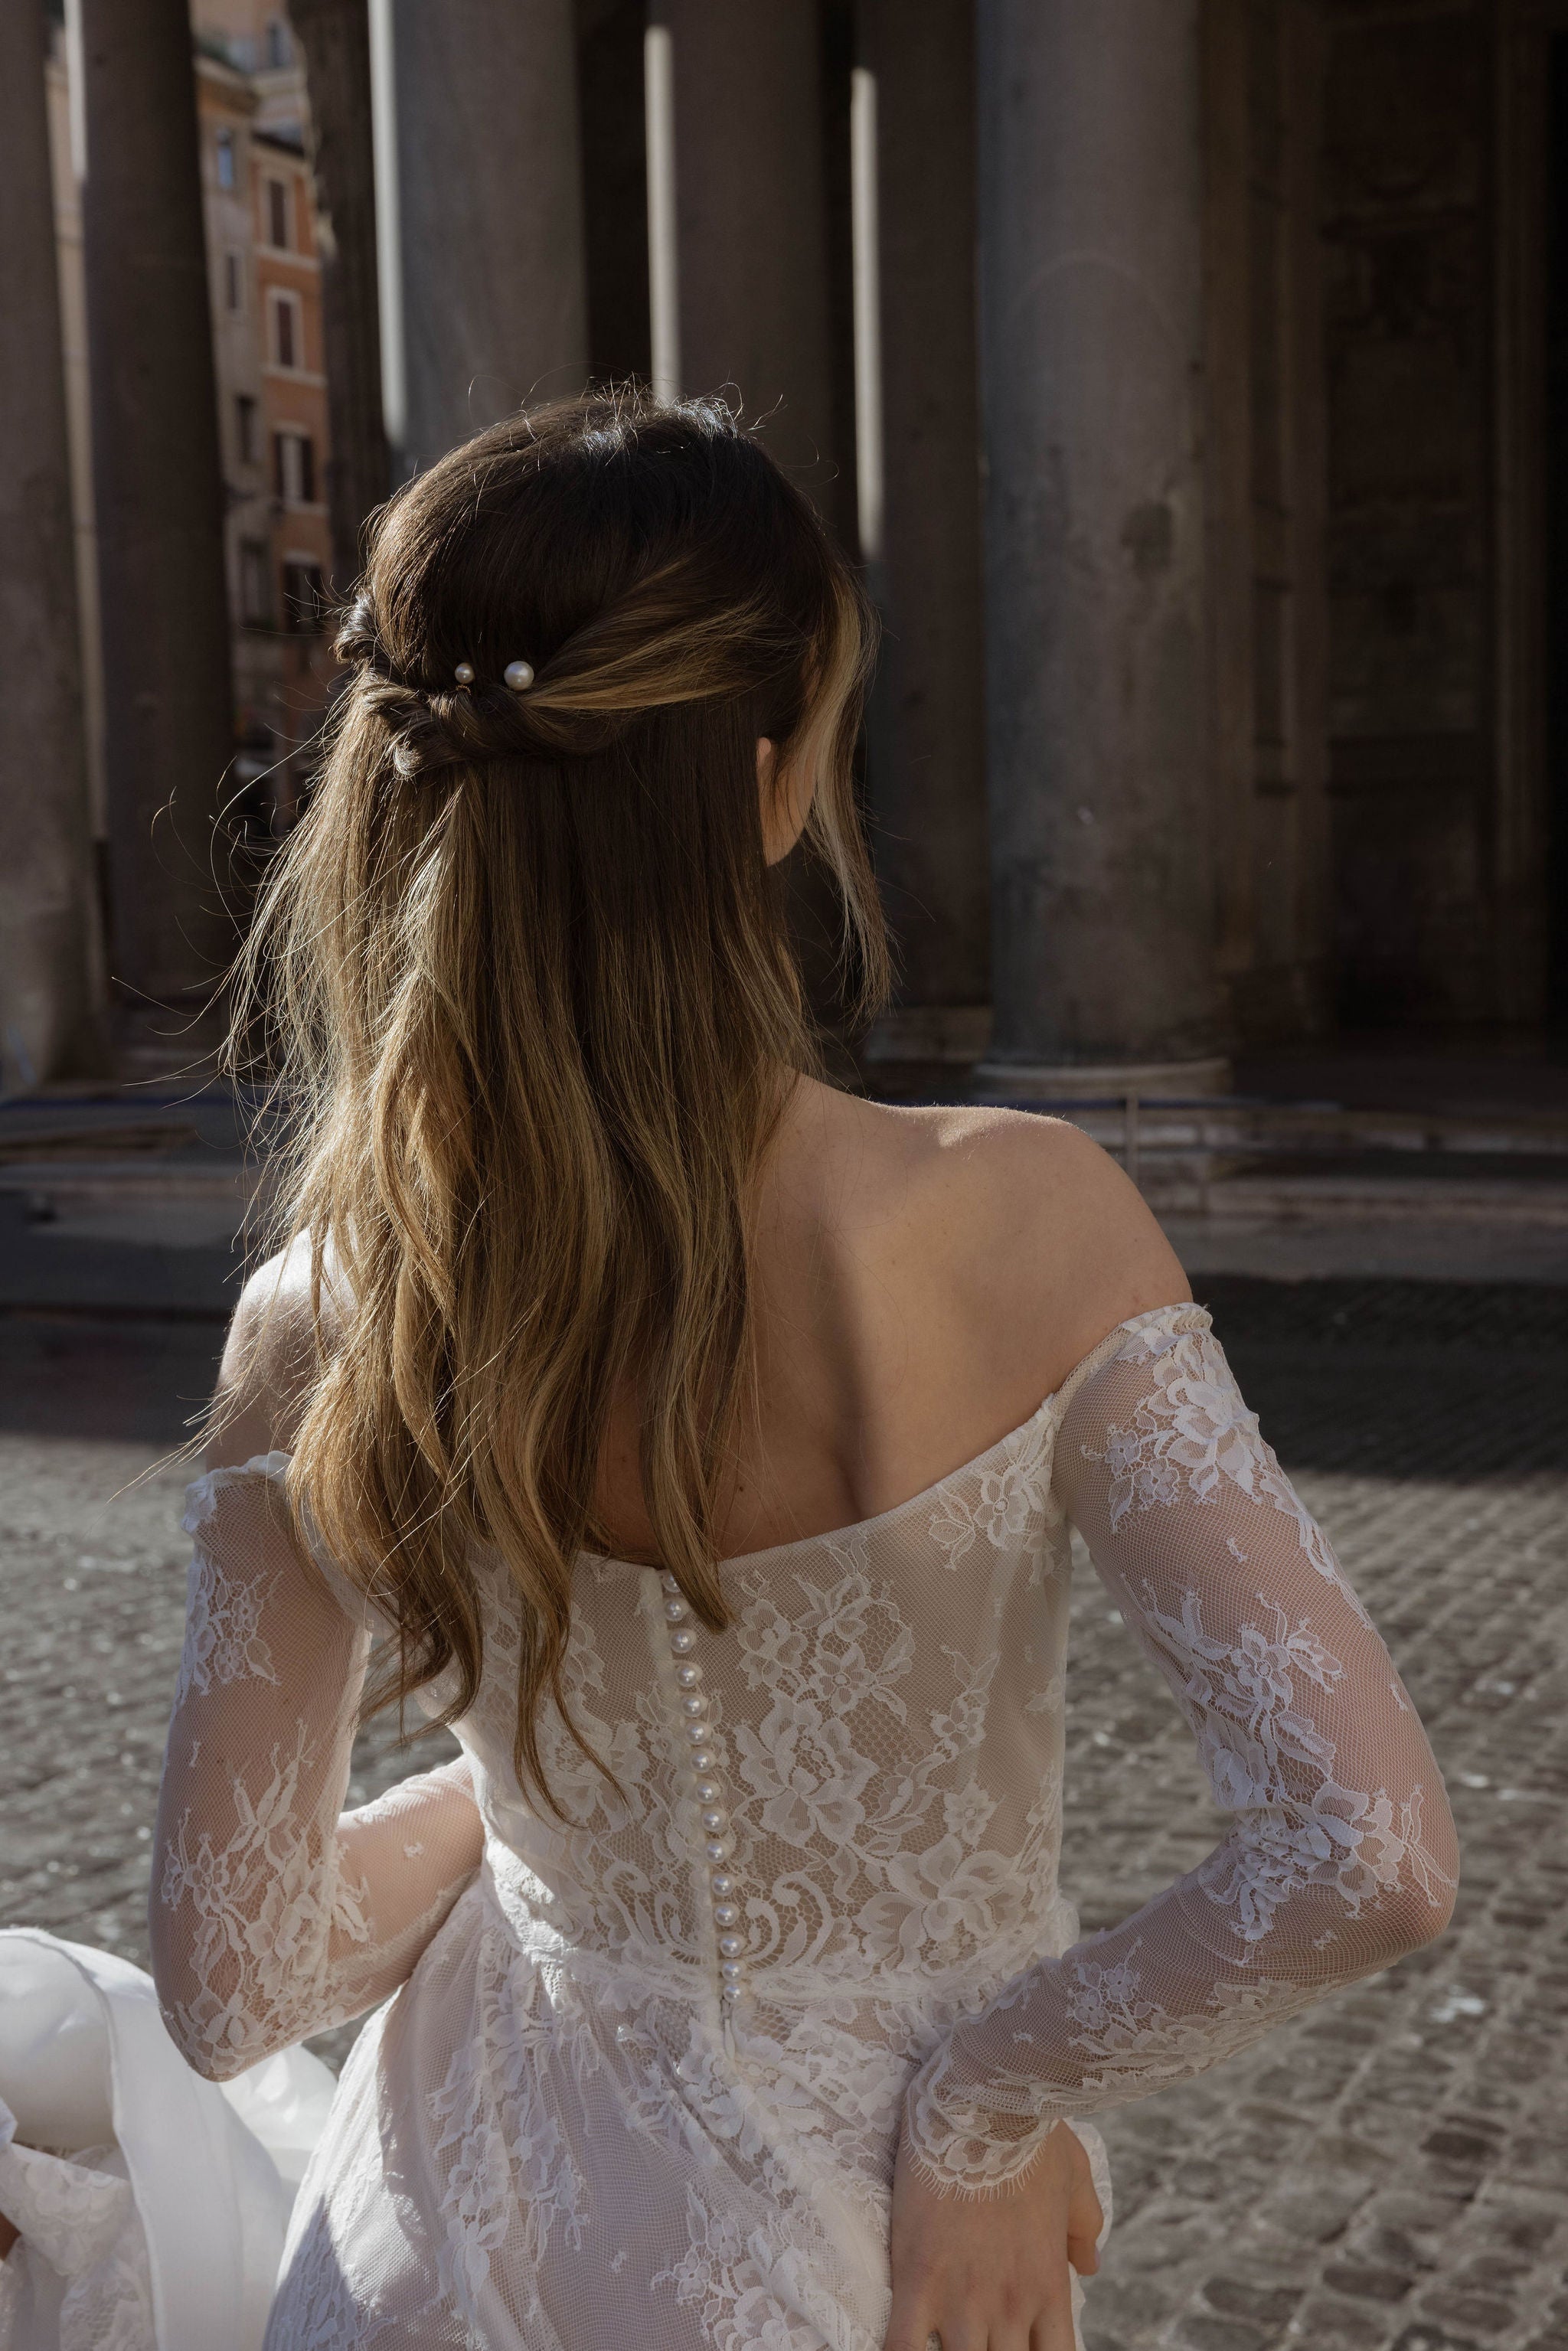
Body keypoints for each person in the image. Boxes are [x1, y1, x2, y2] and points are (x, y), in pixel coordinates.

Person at [145, 393, 1458, 2351]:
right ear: (768, 785)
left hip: (434, 2235)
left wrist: (519, 1828)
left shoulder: (323, 1310)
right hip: (862, 2260)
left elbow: (232, 1983)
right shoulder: (1020, 1217)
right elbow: (1369, 1853)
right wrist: (991, 2096)